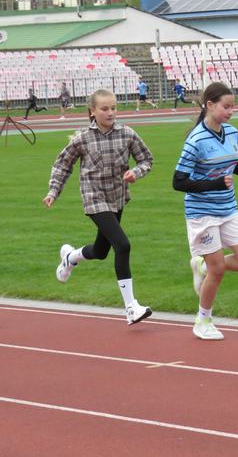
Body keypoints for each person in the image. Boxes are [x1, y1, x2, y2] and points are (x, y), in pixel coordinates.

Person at [42, 89, 154, 326]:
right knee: (122, 245)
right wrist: (53, 192)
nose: (110, 112)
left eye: (113, 108)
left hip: (117, 197)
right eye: (104, 109)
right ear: (92, 111)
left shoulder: (127, 134)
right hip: (94, 198)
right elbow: (63, 166)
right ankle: (131, 307)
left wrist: (136, 172)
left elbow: (147, 159)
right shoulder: (82, 138)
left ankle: (70, 257)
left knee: (102, 251)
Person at [173, 82, 238, 340]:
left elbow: (229, 162)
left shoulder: (232, 132)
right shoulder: (196, 140)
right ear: (210, 105)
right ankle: (203, 320)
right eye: (226, 106)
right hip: (202, 213)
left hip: (228, 208)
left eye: (233, 107)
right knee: (218, 269)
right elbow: (178, 182)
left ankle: (201, 266)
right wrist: (214, 184)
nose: (231, 111)